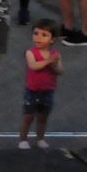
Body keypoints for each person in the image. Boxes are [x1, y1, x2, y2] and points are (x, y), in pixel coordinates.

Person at [18, 19, 63, 149]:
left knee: (43, 118)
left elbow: (60, 70)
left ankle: (40, 139)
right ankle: (23, 140)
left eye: (44, 35)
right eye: (36, 33)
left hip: (48, 91)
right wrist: (48, 61)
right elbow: (34, 66)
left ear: (52, 39)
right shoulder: (30, 53)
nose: (38, 37)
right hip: (32, 90)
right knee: (28, 117)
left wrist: (54, 65)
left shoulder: (55, 54)